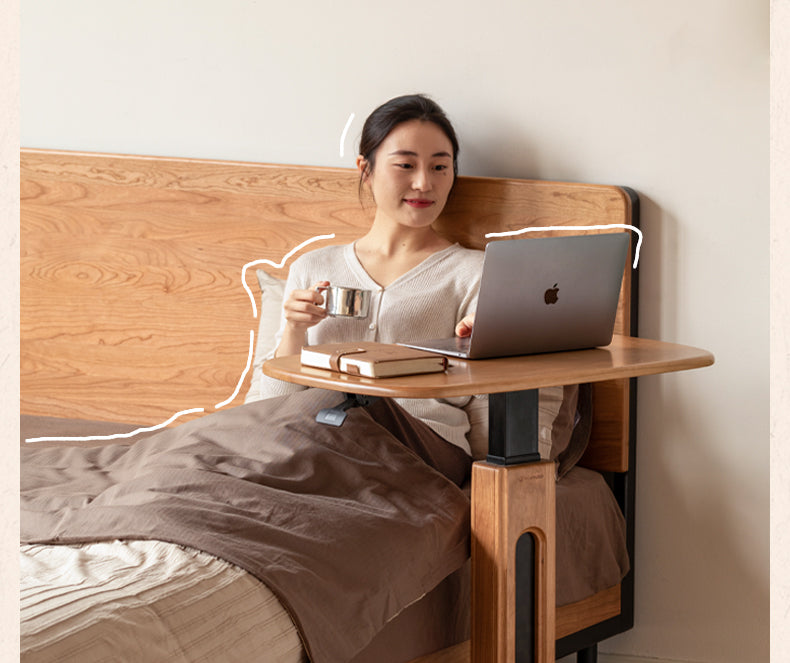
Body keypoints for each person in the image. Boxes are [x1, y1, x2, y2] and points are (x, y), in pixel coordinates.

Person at [257, 94, 486, 482]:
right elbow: (274, 405)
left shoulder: (473, 273)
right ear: (366, 169)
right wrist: (295, 330)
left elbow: (482, 400)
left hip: (423, 446)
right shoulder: (313, 266)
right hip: (320, 436)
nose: (423, 183)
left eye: (440, 167)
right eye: (405, 165)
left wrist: (480, 348)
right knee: (217, 451)